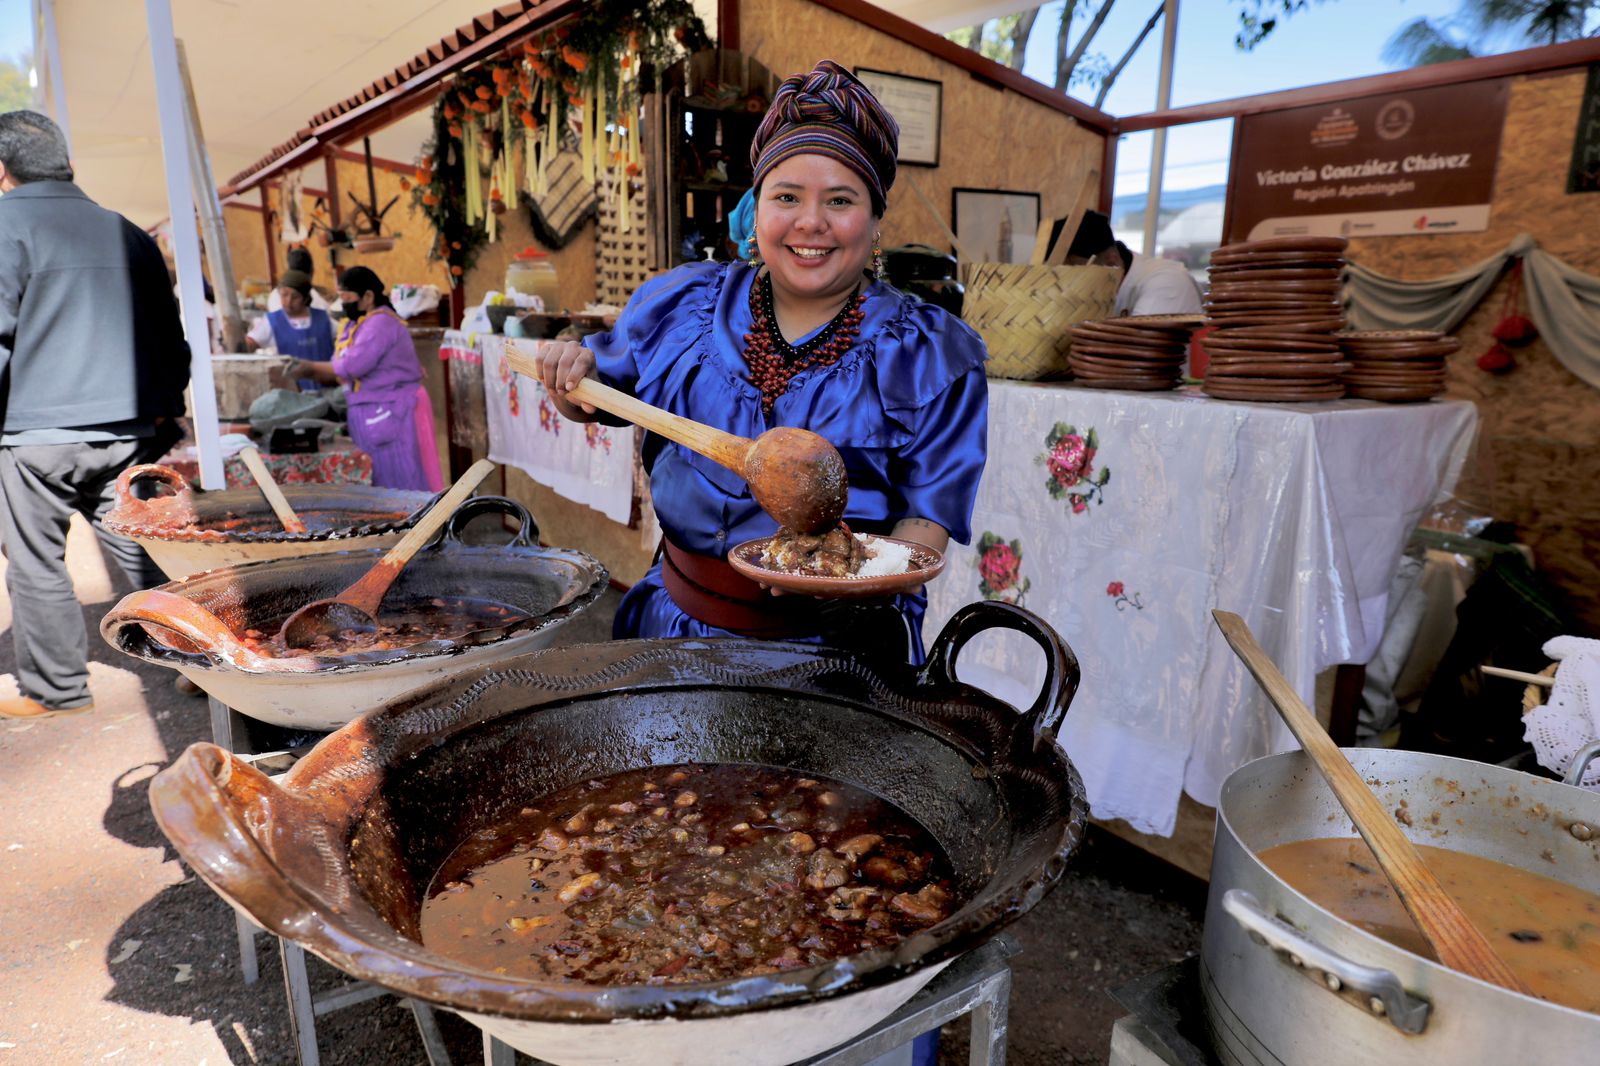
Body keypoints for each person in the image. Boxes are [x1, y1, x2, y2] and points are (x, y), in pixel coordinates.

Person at [535, 60, 989, 665]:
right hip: (677, 635)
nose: (810, 222)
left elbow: (926, 525)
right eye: (787, 196)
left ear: (876, 219)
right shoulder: (682, 305)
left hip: (839, 658)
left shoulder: (930, 353)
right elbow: (596, 396)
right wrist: (568, 375)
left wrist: (845, 581)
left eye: (840, 199)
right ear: (757, 210)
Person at [0, 110, 190, 720]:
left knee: (35, 561)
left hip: (37, 437)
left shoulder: (4, 229)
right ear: (67, 164)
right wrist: (165, 415)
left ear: (2, 173)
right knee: (143, 547)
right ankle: (191, 658)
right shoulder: (127, 232)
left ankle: (58, 690)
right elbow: (170, 337)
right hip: (129, 429)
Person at [295, 265, 443, 492]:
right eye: (341, 297)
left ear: (368, 296)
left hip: (393, 412)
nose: (344, 303)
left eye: (348, 298)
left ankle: (415, 527)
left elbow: (352, 366)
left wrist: (310, 368)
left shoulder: (380, 323)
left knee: (402, 481)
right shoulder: (356, 323)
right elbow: (340, 361)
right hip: (375, 410)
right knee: (383, 482)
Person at [1067, 210, 1202, 317]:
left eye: (1074, 273)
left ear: (1111, 262)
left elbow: (1143, 345)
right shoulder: (1090, 296)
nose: (1068, 284)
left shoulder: (1167, 280)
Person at [244, 268, 336, 360]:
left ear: (305, 298)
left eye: (295, 297)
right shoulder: (271, 322)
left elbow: (344, 340)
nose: (288, 301)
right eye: (284, 295)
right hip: (288, 374)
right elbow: (251, 343)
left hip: (323, 374)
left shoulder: (323, 319)